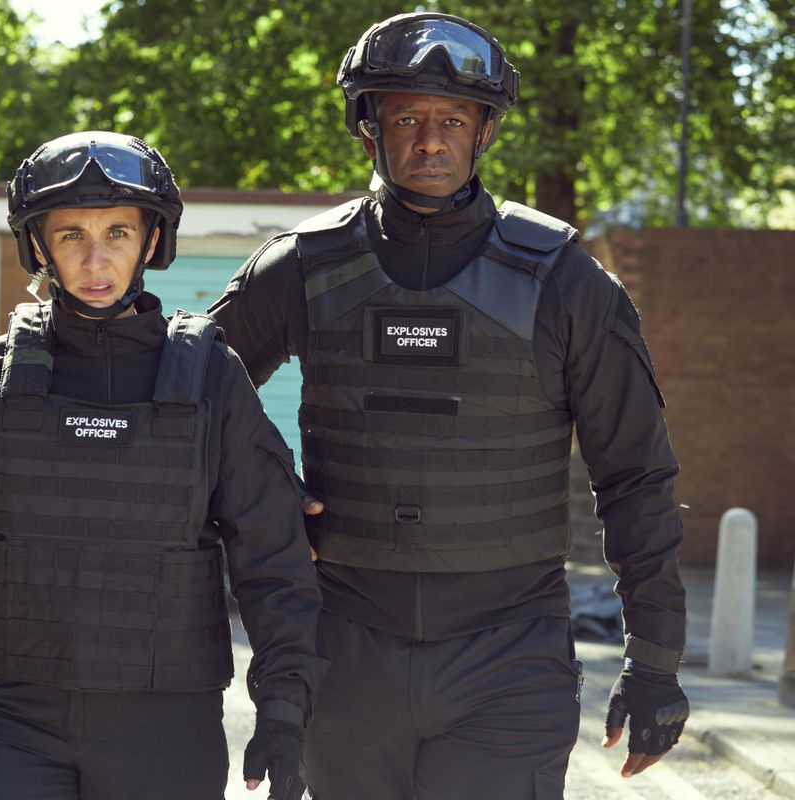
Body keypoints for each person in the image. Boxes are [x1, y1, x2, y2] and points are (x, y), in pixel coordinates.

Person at [208, 12, 689, 799]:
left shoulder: (566, 282)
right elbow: (193, 402)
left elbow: (636, 476)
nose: (430, 141)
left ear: (485, 131)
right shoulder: (302, 268)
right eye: (406, 118)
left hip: (509, 661)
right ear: (370, 130)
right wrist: (269, 497)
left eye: (452, 120)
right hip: (345, 653)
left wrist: (655, 661)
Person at [0, 131, 325, 800]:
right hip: (8, 721)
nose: (95, 259)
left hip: (165, 724)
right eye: (70, 236)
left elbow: (273, 560)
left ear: (150, 241)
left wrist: (285, 712)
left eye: (116, 233)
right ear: (39, 247)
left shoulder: (210, 377)